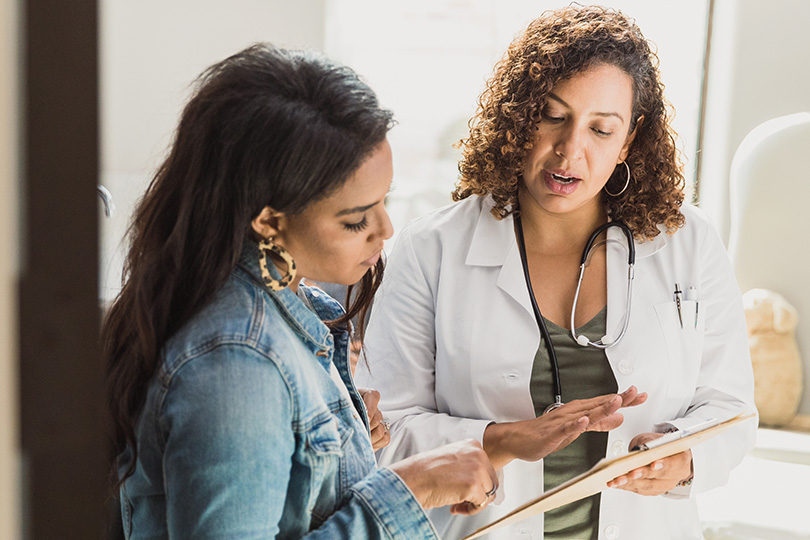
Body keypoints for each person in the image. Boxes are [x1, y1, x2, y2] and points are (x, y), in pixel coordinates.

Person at [356, 5, 757, 540]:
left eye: (600, 128)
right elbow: (383, 433)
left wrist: (680, 458)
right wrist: (503, 439)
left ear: (630, 139)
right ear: (521, 115)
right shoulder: (431, 249)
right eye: (553, 115)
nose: (570, 150)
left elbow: (730, 409)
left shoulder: (688, 242)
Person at [102, 43, 515, 539]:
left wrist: (348, 443)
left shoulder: (284, 310)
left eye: (384, 200)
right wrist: (411, 489)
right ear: (269, 222)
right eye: (356, 218)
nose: (385, 229)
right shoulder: (237, 362)